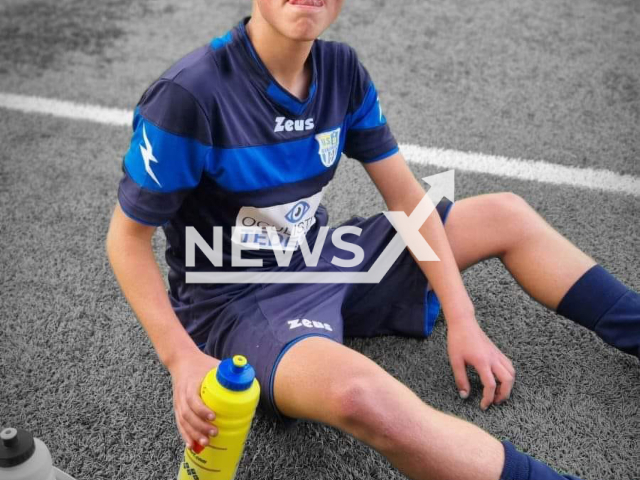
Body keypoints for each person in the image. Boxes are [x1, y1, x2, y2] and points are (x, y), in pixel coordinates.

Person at [106, 1, 639, 479]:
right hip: (237, 304)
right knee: (360, 396)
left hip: (324, 257)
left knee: (505, 215)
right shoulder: (189, 95)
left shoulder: (341, 71)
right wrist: (181, 360)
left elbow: (409, 199)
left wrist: (463, 317)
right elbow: (127, 241)